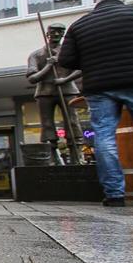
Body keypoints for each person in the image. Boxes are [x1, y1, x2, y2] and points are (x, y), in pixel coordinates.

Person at [57, 0, 133, 207]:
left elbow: (66, 60)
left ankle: (115, 194)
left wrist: (91, 61)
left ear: (96, 3)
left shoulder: (80, 25)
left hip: (99, 86)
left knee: (105, 138)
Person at [26, 22, 82, 164]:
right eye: (53, 31)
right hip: (45, 92)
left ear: (63, 34)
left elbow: (80, 68)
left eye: (60, 31)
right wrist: (49, 65)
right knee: (47, 124)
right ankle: (51, 158)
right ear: (47, 33)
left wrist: (65, 79)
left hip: (67, 90)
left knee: (72, 122)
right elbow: (32, 78)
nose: (56, 34)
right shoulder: (37, 55)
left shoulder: (69, 52)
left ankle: (77, 157)